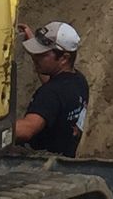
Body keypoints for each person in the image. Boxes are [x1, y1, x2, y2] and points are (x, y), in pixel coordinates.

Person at [12, 20, 90, 158]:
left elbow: (27, 129)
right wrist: (34, 50)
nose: (36, 57)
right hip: (63, 159)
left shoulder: (50, 94)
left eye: (42, 54)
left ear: (64, 58)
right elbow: (53, 87)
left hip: (38, 164)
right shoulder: (78, 81)